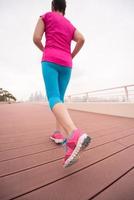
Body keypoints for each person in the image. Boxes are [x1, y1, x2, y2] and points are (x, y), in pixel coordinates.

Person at [33, 0, 91, 168]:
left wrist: (46, 50)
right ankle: (59, 134)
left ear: (53, 7)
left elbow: (36, 38)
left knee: (53, 97)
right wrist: (70, 55)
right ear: (64, 9)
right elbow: (81, 39)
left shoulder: (46, 16)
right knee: (60, 99)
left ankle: (74, 134)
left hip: (50, 60)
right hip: (67, 64)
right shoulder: (69, 24)